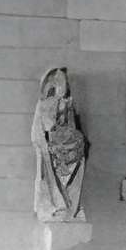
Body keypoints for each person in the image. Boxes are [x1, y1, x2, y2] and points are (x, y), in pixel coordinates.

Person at [32, 66, 89, 221]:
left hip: (66, 148)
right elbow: (45, 131)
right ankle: (59, 205)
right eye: (59, 81)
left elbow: (72, 129)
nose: (63, 85)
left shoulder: (68, 103)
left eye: (64, 81)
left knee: (79, 162)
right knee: (51, 164)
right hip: (50, 148)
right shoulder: (45, 104)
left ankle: (73, 207)